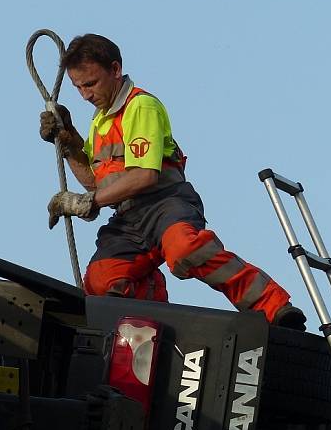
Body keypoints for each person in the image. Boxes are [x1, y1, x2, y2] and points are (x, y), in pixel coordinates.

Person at [40, 33, 305, 329]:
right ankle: (156, 316)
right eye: (78, 87)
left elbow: (144, 176)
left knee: (184, 249)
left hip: (166, 203)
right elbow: (96, 184)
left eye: (90, 84)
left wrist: (84, 203)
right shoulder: (101, 121)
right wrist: (70, 143)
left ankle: (272, 305)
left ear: (115, 70)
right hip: (129, 217)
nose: (85, 95)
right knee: (101, 281)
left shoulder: (140, 107)